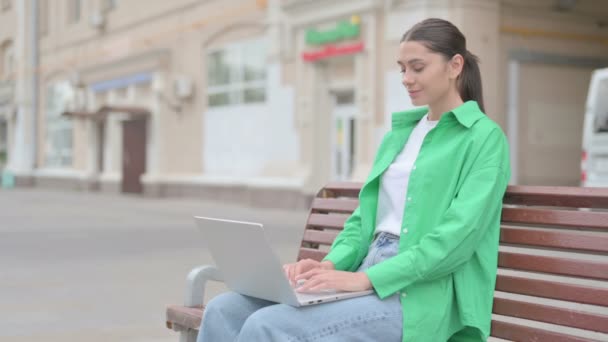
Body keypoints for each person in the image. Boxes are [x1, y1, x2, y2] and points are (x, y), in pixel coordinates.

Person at [196, 17, 511, 342]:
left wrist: (367, 279)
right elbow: (362, 221)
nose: (406, 78)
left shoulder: (483, 139)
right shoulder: (399, 136)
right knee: (224, 310)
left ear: (455, 65)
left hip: (421, 294)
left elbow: (458, 238)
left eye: (417, 67)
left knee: (269, 325)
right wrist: (330, 266)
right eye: (402, 68)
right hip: (366, 270)